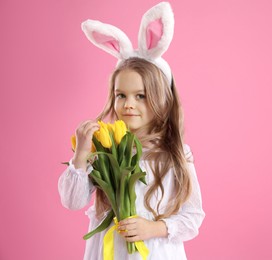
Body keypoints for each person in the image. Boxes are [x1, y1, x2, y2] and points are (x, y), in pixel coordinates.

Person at [58, 2, 205, 260]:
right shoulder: (104, 149)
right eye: (121, 95)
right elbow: (72, 201)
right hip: (110, 252)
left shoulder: (173, 152)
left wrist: (153, 227)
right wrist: (81, 152)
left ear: (161, 99)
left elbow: (192, 217)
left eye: (140, 96)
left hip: (157, 252)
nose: (129, 104)